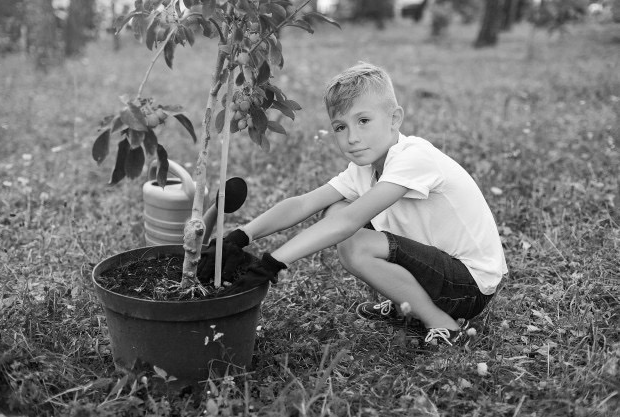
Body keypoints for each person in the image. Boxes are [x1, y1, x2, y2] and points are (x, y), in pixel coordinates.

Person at [199, 62, 508, 348]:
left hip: (469, 286)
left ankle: (441, 322)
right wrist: (240, 236)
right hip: (439, 269)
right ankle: (407, 303)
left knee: (352, 239)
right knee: (333, 208)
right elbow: (304, 203)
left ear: (394, 119)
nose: (352, 138)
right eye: (340, 127)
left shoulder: (413, 157)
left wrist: (272, 262)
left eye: (363, 121)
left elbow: (347, 224)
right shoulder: (364, 168)